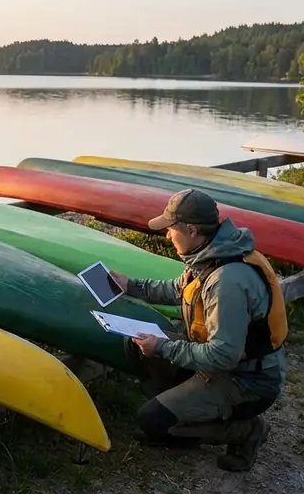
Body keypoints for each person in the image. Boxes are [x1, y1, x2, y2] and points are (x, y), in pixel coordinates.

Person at [109, 188, 288, 472]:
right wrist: (130, 286)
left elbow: (224, 355)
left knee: (152, 421)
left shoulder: (227, 280)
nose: (167, 235)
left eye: (171, 229)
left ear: (191, 230)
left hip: (247, 380)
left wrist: (162, 347)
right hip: (220, 363)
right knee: (135, 344)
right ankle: (184, 414)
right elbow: (177, 290)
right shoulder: (210, 254)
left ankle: (247, 431)